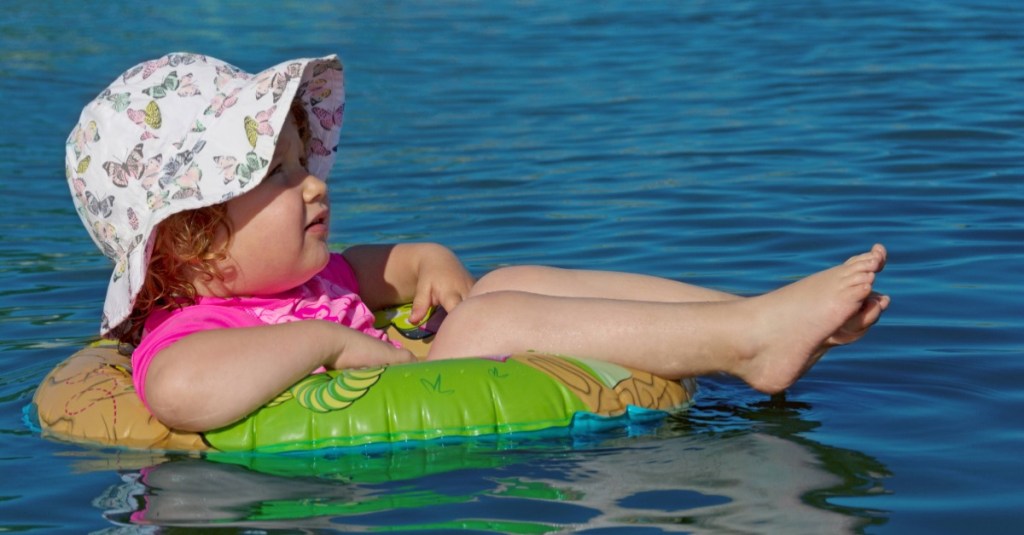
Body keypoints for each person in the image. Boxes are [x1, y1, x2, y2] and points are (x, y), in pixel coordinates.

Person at [66, 53, 889, 432]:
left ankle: (756, 314)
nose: (313, 182)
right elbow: (178, 394)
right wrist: (324, 342)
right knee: (483, 332)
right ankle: (749, 345)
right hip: (374, 481)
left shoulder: (322, 276)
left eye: (299, 162)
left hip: (416, 385)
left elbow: (418, 258)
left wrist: (446, 278)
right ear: (195, 247)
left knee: (505, 281)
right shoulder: (191, 335)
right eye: (275, 177)